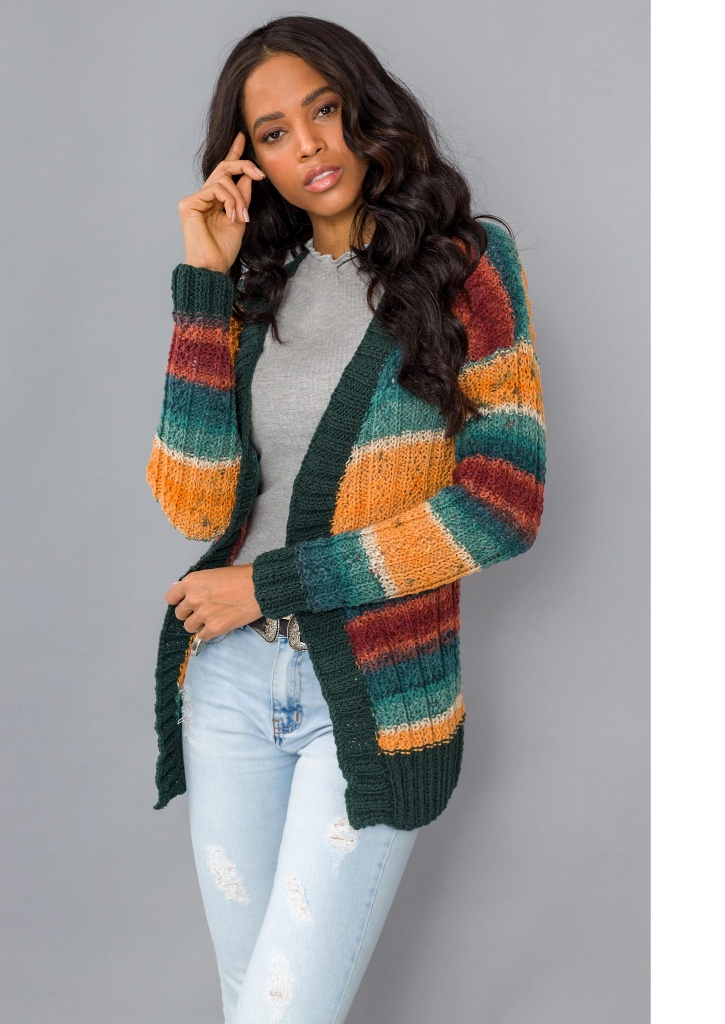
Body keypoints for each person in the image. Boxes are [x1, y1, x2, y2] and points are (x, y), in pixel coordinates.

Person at [145, 15, 546, 1024]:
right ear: (249, 161)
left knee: (282, 1010)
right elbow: (193, 501)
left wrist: (274, 585)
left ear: (363, 110)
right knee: (250, 1002)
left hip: (371, 693)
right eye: (274, 133)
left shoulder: (466, 266)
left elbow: (503, 506)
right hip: (228, 683)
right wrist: (203, 286)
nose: (310, 146)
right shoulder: (254, 291)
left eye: (322, 111)